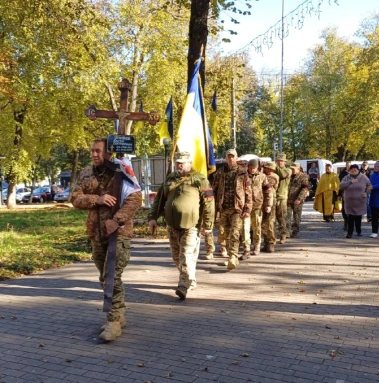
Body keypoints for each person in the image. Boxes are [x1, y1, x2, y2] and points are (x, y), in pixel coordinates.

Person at [71, 138, 142, 342]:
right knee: (104, 277)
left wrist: (116, 220)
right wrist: (96, 199)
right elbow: (75, 198)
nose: (94, 154)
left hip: (118, 234)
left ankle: (113, 321)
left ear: (108, 153)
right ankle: (119, 314)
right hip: (96, 233)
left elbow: (135, 199)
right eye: (92, 151)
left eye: (98, 151)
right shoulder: (86, 173)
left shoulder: (121, 171)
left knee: (112, 275)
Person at [148, 152, 215, 300]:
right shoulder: (170, 178)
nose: (180, 165)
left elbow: (209, 202)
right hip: (172, 225)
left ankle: (183, 285)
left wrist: (208, 224)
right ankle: (189, 278)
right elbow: (159, 199)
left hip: (191, 226)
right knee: (176, 257)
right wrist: (152, 218)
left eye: (183, 163)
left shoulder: (199, 179)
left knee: (186, 255)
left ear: (189, 163)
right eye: (178, 162)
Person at [212, 149, 252, 270]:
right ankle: (230, 255)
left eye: (233, 157)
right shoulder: (220, 172)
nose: (230, 159)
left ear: (236, 158)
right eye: (228, 157)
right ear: (226, 158)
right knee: (223, 234)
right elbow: (213, 189)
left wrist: (248, 208)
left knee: (235, 233)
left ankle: (233, 257)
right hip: (223, 208)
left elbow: (248, 192)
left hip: (237, 208)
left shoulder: (242, 173)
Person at [243, 158, 273, 257]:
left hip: (257, 206)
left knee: (256, 227)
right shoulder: (243, 176)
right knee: (245, 228)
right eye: (250, 167)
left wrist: (268, 204)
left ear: (257, 168)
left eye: (254, 168)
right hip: (245, 206)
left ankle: (257, 245)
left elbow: (268, 191)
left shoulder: (262, 176)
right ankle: (246, 247)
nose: (252, 169)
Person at [339, 164, 372, 238]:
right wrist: (351, 182)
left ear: (358, 170)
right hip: (349, 201)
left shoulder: (363, 177)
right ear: (349, 171)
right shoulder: (346, 177)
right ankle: (349, 233)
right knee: (350, 217)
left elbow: (369, 186)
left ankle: (358, 230)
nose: (354, 170)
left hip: (360, 200)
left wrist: (366, 193)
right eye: (352, 169)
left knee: (358, 217)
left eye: (355, 169)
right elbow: (341, 186)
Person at [287, 163, 309, 238]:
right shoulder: (289, 175)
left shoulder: (303, 176)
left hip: (297, 200)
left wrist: (299, 199)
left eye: (293, 169)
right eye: (291, 169)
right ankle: (287, 231)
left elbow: (304, 188)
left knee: (296, 216)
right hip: (288, 199)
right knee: (287, 216)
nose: (292, 170)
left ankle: (295, 229)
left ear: (298, 169)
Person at [261, 162, 279, 252]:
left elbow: (266, 183)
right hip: (262, 200)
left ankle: (271, 242)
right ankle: (266, 242)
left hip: (271, 200)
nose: (265, 169)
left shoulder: (273, 176)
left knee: (270, 222)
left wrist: (260, 172)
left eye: (267, 168)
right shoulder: (264, 175)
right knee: (263, 223)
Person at [274, 153, 292, 244]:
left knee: (281, 218)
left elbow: (282, 175)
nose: (279, 162)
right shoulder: (274, 170)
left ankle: (283, 235)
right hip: (273, 197)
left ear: (284, 162)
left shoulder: (288, 170)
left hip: (282, 198)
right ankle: (272, 237)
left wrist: (274, 166)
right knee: (271, 219)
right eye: (278, 161)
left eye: (281, 161)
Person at [338, 161, 351, 230]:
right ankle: (346, 221)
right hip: (344, 193)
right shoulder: (342, 173)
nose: (348, 166)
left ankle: (351, 223)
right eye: (347, 165)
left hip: (353, 194)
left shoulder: (354, 172)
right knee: (344, 209)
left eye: (349, 165)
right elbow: (340, 184)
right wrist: (339, 194)